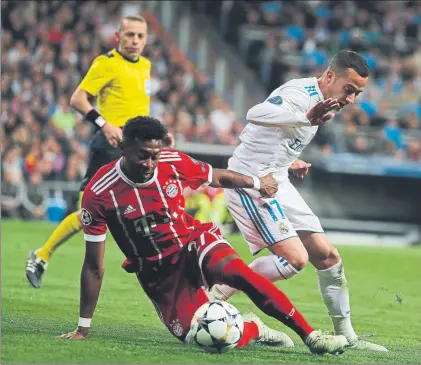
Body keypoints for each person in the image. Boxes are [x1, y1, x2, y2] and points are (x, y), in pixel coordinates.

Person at [59, 116, 348, 355]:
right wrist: (83, 327)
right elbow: (93, 266)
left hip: (193, 242)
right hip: (159, 274)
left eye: (154, 156)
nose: (150, 163)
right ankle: (253, 328)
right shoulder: (99, 193)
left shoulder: (172, 161)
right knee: (208, 337)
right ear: (123, 147)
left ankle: (312, 337)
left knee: (241, 275)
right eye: (142, 156)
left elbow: (218, 176)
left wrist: (257, 182)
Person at [208, 50, 388, 351]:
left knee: (327, 256)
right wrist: (304, 118)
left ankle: (350, 337)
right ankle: (217, 294)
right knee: (295, 260)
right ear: (330, 76)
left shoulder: (321, 103)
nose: (351, 99)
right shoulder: (299, 94)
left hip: (277, 179)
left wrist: (290, 161)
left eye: (357, 94)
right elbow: (255, 114)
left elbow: (267, 137)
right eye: (349, 90)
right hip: (251, 182)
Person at [25, 15, 175, 288]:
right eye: (129, 35)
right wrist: (103, 123)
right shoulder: (107, 63)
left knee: (148, 205)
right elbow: (77, 99)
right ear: (117, 37)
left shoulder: (145, 65)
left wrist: (158, 134)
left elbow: (138, 109)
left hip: (137, 150)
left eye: (140, 36)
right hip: (108, 147)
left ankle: (161, 270)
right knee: (87, 214)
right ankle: (41, 255)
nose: (135, 41)